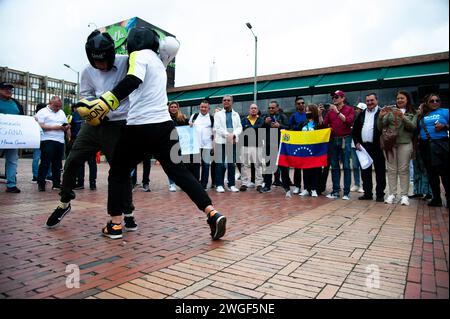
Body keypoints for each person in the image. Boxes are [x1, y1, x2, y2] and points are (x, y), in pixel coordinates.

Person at [76, 27, 226, 240]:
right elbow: (173, 43)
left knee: (117, 173)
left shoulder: (138, 56)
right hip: (165, 126)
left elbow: (133, 80)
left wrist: (106, 102)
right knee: (180, 172)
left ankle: (115, 224)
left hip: (139, 126)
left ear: (132, 43)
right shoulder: (159, 62)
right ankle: (212, 212)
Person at [45, 30, 133, 229]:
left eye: (104, 60)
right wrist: (90, 107)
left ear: (111, 54)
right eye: (96, 61)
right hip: (93, 124)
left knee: (120, 171)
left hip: (118, 125)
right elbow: (85, 94)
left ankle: (128, 212)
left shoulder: (126, 62)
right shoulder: (87, 71)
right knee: (72, 160)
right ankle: (64, 202)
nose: (100, 65)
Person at [378, 90, 417, 206]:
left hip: (405, 143)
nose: (399, 100)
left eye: (402, 98)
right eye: (398, 98)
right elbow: (380, 127)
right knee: (391, 169)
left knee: (403, 169)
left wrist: (403, 116)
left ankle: (404, 195)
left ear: (407, 100)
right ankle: (392, 194)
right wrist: (380, 117)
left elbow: (413, 127)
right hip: (390, 144)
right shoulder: (390, 112)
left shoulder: (412, 113)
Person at [352, 93, 386, 202]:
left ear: (377, 100)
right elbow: (355, 130)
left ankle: (380, 194)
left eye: (372, 100)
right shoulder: (361, 114)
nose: (370, 103)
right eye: (368, 101)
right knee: (365, 171)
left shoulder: (382, 113)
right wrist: (356, 142)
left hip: (377, 146)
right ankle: (367, 193)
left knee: (380, 171)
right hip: (364, 147)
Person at [417, 93, 449, 207]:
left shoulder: (445, 112)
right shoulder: (422, 115)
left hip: (441, 144)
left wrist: (444, 126)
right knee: (431, 173)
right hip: (425, 146)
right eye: (432, 101)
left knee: (445, 173)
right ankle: (436, 198)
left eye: (437, 100)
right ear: (427, 103)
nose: (435, 103)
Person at [323, 90, 355, 200]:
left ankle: (346, 192)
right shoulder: (330, 111)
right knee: (334, 166)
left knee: (346, 165)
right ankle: (335, 191)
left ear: (342, 98)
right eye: (333, 97)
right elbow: (324, 124)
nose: (334, 99)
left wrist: (336, 111)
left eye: (336, 97)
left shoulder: (349, 109)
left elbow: (349, 121)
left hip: (345, 139)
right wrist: (319, 114)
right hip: (333, 139)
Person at [35, 96, 69, 192]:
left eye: (59, 106)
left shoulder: (61, 112)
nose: (58, 108)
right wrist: (56, 127)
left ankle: (56, 184)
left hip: (60, 141)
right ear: (50, 103)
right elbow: (39, 125)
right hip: (47, 139)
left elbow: (65, 124)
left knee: (57, 164)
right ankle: (41, 183)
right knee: (45, 162)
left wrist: (67, 127)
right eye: (56, 106)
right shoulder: (42, 112)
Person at [260, 100, 291, 195]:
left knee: (283, 167)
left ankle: (286, 187)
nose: (271, 109)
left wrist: (280, 126)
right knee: (269, 167)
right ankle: (267, 186)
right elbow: (260, 130)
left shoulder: (283, 116)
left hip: (280, 145)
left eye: (273, 108)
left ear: (277, 108)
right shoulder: (265, 117)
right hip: (269, 145)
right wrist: (265, 123)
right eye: (269, 108)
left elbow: (288, 128)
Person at [213, 95, 242, 193]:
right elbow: (218, 128)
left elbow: (239, 127)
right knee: (220, 164)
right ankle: (219, 185)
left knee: (231, 164)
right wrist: (227, 135)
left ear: (232, 102)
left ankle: (232, 184)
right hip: (220, 141)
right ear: (222, 102)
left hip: (232, 142)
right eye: (224, 100)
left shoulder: (236, 114)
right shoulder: (218, 114)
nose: (226, 102)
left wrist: (233, 134)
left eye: (228, 100)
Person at [0, 82, 24, 193]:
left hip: (13, 138)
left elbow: (22, 118)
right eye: (5, 89)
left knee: (12, 160)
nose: (9, 91)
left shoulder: (16, 103)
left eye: (10, 89)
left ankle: (11, 184)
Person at [67, 103, 97, 190]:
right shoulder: (92, 113)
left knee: (80, 162)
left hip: (79, 141)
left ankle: (80, 183)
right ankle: (92, 183)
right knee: (92, 163)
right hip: (92, 141)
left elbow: (68, 128)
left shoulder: (73, 115)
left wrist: (70, 139)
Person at [298, 104, 323, 197]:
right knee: (305, 170)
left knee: (315, 170)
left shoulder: (317, 123)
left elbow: (323, 129)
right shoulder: (303, 123)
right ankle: (306, 188)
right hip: (305, 151)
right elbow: (295, 131)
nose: (307, 112)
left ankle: (314, 189)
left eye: (309, 111)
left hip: (316, 151)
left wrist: (320, 116)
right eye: (306, 110)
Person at [189, 100, 214, 190]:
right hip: (196, 145)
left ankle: (204, 184)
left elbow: (214, 133)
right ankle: (196, 183)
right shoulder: (194, 116)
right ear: (199, 107)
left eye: (205, 107)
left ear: (208, 108)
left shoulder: (211, 118)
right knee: (195, 165)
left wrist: (213, 146)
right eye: (202, 107)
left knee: (206, 165)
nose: (203, 109)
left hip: (207, 145)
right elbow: (189, 129)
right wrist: (190, 125)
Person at [240, 103, 264, 192]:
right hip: (245, 145)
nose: (253, 110)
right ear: (249, 110)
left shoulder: (261, 120)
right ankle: (244, 184)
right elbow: (244, 130)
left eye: (255, 108)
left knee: (258, 165)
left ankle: (259, 184)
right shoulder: (244, 120)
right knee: (244, 164)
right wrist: (254, 129)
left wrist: (249, 128)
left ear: (257, 110)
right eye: (252, 108)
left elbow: (260, 128)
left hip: (258, 145)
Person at [168, 100, 188, 192]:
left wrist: (191, 125)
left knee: (181, 165)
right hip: (169, 144)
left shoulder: (182, 118)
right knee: (171, 165)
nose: (173, 108)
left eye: (175, 107)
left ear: (178, 108)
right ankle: (172, 184)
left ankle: (181, 183)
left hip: (182, 145)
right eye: (171, 107)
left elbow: (188, 129)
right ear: (169, 108)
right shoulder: (166, 118)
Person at [288, 96, 307, 194]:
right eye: (299, 103)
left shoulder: (308, 114)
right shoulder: (293, 116)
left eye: (302, 103)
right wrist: (298, 127)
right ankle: (297, 186)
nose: (301, 105)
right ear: (296, 105)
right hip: (297, 143)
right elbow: (289, 128)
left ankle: (307, 187)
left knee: (307, 166)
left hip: (308, 142)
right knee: (297, 166)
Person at [350, 102, 366, 193]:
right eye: (356, 109)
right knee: (355, 166)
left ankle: (364, 185)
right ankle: (356, 184)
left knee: (363, 166)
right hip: (353, 145)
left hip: (362, 146)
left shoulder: (365, 119)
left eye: (358, 109)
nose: (356, 110)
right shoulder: (353, 119)